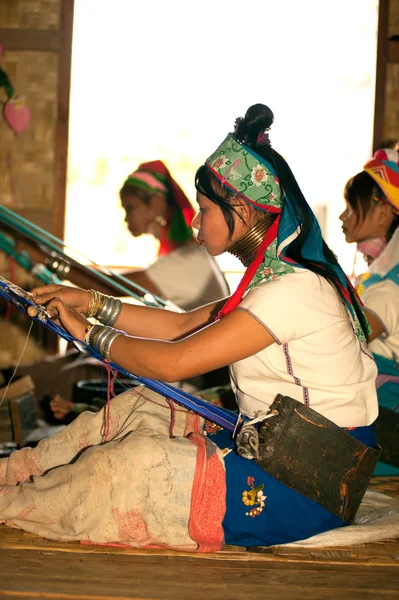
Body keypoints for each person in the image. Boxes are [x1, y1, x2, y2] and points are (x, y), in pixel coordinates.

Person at [0, 104, 379, 550]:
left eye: (204, 209)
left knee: (133, 464)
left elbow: (174, 360)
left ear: (241, 206)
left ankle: (14, 503)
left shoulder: (291, 290)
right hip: (281, 447)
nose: (196, 221)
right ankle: (14, 475)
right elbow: (180, 325)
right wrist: (89, 301)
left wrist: (85, 331)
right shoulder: (272, 279)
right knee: (141, 407)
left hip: (309, 480)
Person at [340, 147, 399, 476]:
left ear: (384, 211)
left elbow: (348, 336)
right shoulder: (380, 276)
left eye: (352, 207)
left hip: (387, 436)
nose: (342, 216)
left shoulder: (390, 287)